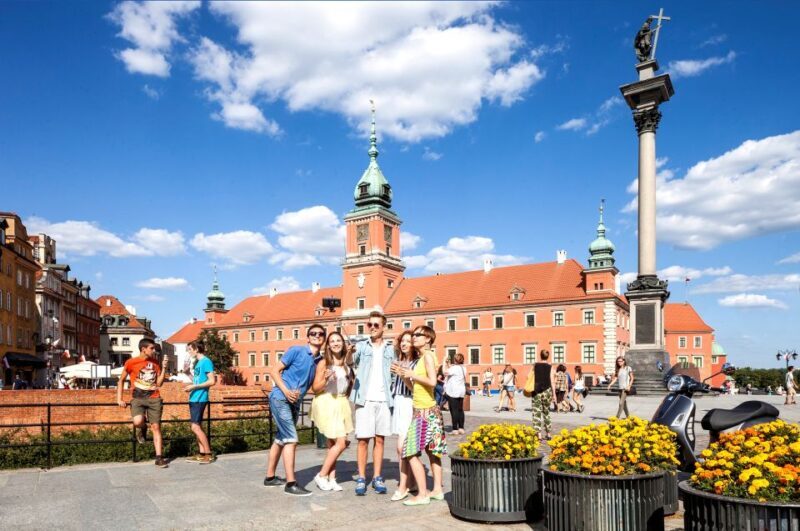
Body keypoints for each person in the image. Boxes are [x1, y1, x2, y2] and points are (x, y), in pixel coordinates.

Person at [264, 324, 326, 496]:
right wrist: (286, 390)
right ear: (308, 337)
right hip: (280, 398)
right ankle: (291, 483)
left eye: (320, 334)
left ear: (323, 339)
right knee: (291, 439)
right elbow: (274, 371)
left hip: (294, 402)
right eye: (313, 333)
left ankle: (270, 478)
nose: (317, 336)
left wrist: (326, 379)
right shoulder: (296, 351)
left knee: (280, 439)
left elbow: (315, 388)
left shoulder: (319, 361)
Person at [400, 325, 446, 506]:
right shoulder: (423, 358)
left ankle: (422, 494)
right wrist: (406, 378)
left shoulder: (427, 356)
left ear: (428, 339)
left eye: (418, 335)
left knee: (410, 451)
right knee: (432, 452)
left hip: (424, 413)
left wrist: (412, 374)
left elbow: (433, 382)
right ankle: (437, 490)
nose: (414, 337)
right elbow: (418, 389)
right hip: (427, 409)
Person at [350, 310, 394, 496]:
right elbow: (348, 361)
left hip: (384, 399)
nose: (373, 328)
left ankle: (377, 476)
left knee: (380, 439)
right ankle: (361, 477)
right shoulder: (362, 346)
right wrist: (348, 353)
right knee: (362, 441)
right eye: (370, 324)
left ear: (384, 327)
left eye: (376, 325)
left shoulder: (391, 349)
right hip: (364, 398)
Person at [310, 331, 354, 492]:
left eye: (338, 340)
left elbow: (349, 383)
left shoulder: (346, 363)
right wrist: (327, 379)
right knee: (341, 443)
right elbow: (315, 388)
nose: (336, 343)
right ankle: (321, 475)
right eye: (332, 341)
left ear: (343, 343)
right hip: (327, 401)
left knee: (333, 445)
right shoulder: (324, 363)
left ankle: (332, 478)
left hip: (341, 402)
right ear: (328, 345)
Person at [116, 338, 168, 468]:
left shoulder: (155, 362)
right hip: (137, 398)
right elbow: (121, 380)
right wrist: (119, 398)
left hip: (154, 397)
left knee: (156, 427)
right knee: (138, 422)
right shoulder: (131, 362)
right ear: (143, 349)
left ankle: (159, 457)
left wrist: (164, 368)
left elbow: (159, 383)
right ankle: (143, 428)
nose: (154, 350)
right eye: (152, 348)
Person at [388, 330, 419, 502]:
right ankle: (412, 482)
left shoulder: (416, 363)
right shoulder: (399, 360)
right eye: (403, 341)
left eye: (408, 341)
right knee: (402, 447)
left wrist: (402, 374)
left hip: (409, 404)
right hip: (398, 402)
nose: (405, 343)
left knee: (402, 447)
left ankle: (403, 486)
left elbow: (414, 389)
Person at [183, 340, 216, 464]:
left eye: (190, 349)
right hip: (194, 397)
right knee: (198, 426)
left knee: (195, 427)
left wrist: (193, 387)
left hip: (200, 397)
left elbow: (212, 381)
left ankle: (208, 454)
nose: (188, 352)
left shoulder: (206, 361)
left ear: (196, 349)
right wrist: (187, 374)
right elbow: (197, 380)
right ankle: (202, 453)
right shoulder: (198, 362)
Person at [531, 350, 555, 440]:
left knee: (536, 412)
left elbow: (530, 377)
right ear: (547, 357)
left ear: (540, 355)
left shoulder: (535, 366)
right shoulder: (550, 367)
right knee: (547, 412)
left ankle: (539, 435)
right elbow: (552, 381)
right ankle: (548, 434)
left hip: (536, 391)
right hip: (547, 390)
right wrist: (554, 395)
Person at [443, 353, 467, 434]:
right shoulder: (464, 368)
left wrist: (444, 362)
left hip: (453, 391)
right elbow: (452, 370)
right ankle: (461, 428)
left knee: (454, 410)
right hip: (461, 391)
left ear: (455, 360)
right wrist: (449, 364)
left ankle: (455, 429)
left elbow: (444, 372)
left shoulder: (454, 368)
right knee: (460, 410)